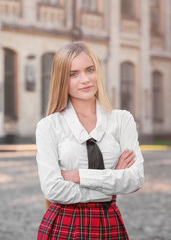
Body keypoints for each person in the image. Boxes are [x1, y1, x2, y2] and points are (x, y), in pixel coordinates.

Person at [36, 41, 144, 239]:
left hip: (108, 223)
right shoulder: (49, 126)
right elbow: (53, 189)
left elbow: (135, 179)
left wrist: (79, 176)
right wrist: (111, 181)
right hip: (64, 226)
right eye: (73, 74)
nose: (85, 79)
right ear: (62, 80)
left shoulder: (122, 120)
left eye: (90, 70)